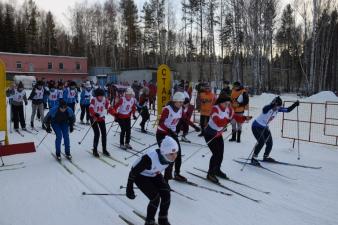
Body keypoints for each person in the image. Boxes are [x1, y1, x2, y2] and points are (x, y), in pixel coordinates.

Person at [126, 136, 178, 225]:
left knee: (166, 194)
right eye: (171, 154)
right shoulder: (149, 159)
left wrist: (165, 185)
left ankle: (163, 219)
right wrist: (129, 189)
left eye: (176, 153)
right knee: (155, 198)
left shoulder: (168, 157)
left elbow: (167, 172)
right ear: (164, 152)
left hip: (154, 173)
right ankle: (149, 221)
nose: (174, 156)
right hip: (140, 175)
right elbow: (133, 173)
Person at [204, 96, 251, 183]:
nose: (227, 105)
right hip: (210, 134)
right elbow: (218, 122)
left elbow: (235, 117)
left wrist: (244, 118)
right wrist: (228, 120)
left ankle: (217, 170)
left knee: (221, 154)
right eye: (225, 103)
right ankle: (210, 173)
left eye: (228, 104)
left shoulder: (228, 109)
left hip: (218, 134)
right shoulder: (215, 109)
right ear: (220, 102)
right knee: (216, 154)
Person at [251, 97, 299, 165]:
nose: (278, 107)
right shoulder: (268, 108)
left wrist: (295, 104)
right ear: (273, 104)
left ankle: (266, 157)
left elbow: (288, 110)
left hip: (265, 127)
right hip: (256, 126)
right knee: (261, 142)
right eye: (277, 106)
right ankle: (253, 158)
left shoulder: (278, 109)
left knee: (270, 143)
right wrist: (272, 105)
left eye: (279, 106)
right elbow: (264, 109)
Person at [156, 92, 186, 182]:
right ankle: (165, 179)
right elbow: (160, 124)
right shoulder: (167, 109)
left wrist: (195, 126)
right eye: (180, 102)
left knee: (178, 154)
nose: (181, 104)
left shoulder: (181, 109)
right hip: (162, 134)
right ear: (175, 101)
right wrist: (169, 131)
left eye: (182, 102)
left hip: (172, 134)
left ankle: (177, 173)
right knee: (168, 156)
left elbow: (185, 119)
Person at [89, 88, 113, 157]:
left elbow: (109, 108)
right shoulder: (94, 100)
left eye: (102, 96)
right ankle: (95, 150)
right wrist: (94, 113)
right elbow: (90, 108)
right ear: (97, 96)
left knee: (104, 134)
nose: (101, 97)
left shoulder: (105, 100)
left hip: (101, 118)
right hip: (94, 118)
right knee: (97, 134)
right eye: (100, 96)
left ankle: (104, 149)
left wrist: (115, 114)